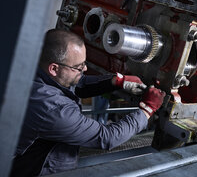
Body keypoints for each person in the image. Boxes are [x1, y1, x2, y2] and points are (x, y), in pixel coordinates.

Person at [10, 29, 165, 176]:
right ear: (54, 68)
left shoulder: (33, 70)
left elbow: (79, 83)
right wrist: (147, 109)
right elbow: (107, 137)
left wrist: (115, 81)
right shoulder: (53, 109)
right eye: (78, 67)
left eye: (84, 63)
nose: (84, 69)